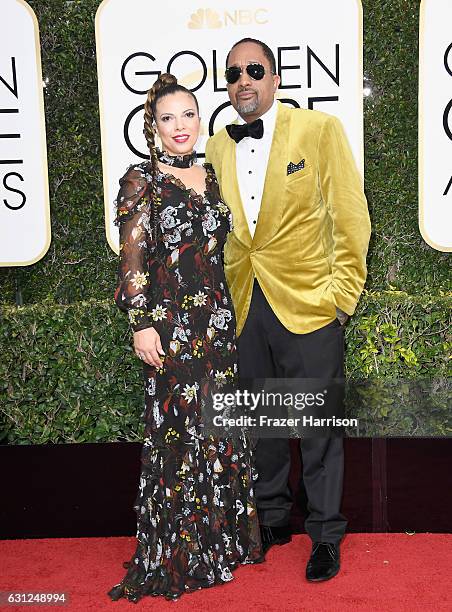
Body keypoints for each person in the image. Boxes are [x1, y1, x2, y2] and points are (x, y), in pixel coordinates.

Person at [205, 38, 371, 582]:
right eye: (232, 73)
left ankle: (325, 533)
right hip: (247, 302)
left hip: (310, 304)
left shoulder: (318, 131)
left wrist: (340, 300)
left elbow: (350, 217)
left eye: (254, 69)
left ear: (275, 77)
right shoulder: (217, 148)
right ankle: (273, 517)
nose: (243, 81)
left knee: (320, 426)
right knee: (265, 424)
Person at [107, 73, 263, 603]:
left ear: (201, 120)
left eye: (188, 115)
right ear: (152, 126)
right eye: (168, 118)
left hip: (217, 324)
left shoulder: (211, 174)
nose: (180, 126)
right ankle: (180, 551)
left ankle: (219, 544)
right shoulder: (140, 180)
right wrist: (140, 322)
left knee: (218, 428)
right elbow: (132, 258)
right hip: (170, 327)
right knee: (179, 432)